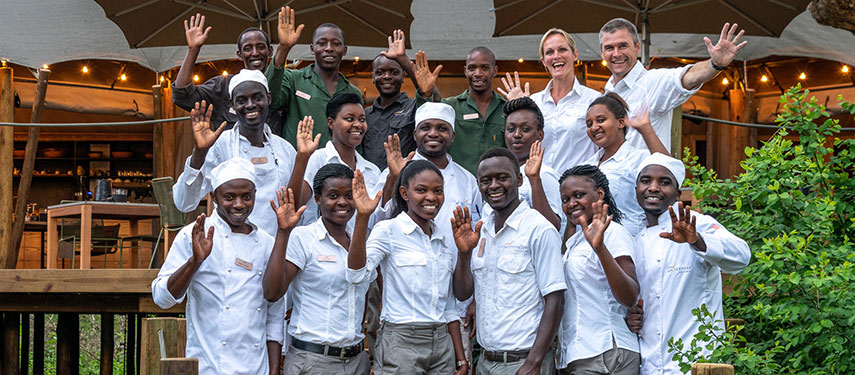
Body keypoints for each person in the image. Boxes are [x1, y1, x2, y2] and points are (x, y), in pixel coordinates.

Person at [152, 158, 285, 375]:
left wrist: (273, 369)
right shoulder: (193, 234)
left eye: (246, 197)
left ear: (255, 195)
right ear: (214, 197)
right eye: (229, 197)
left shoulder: (268, 243)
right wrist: (194, 262)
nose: (239, 204)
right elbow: (161, 299)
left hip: (256, 367)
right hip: (209, 366)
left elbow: (275, 313)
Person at [378, 102, 481, 372]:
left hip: (455, 302)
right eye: (425, 127)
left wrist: (476, 300)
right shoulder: (395, 172)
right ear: (415, 133)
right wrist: (394, 175)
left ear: (453, 136)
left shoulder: (468, 180)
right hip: (405, 307)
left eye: (442, 128)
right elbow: (381, 224)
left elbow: (481, 237)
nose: (433, 133)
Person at [631, 153, 750, 375]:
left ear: (677, 194)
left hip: (699, 363)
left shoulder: (699, 224)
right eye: (645, 180)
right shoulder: (636, 241)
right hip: (649, 364)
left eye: (664, 182)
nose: (653, 188)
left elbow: (742, 257)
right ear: (636, 188)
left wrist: (697, 241)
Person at [347, 162, 470, 375]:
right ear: (405, 193)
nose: (431, 197)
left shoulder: (441, 239)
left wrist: (460, 357)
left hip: (442, 345)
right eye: (421, 190)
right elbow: (358, 275)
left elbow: (449, 306)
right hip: (401, 343)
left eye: (438, 191)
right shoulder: (388, 230)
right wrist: (362, 217)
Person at [452, 147, 566, 375]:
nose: (493, 186)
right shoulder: (480, 230)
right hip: (485, 361)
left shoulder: (539, 229)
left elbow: (555, 299)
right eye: (486, 180)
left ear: (519, 179)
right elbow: (463, 293)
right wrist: (464, 254)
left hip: (524, 362)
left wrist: (533, 363)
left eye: (502, 178)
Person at [172, 69, 318, 238]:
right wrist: (200, 151)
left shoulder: (286, 149)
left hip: (276, 247)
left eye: (257, 97)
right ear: (232, 105)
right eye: (241, 100)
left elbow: (301, 208)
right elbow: (184, 203)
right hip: (229, 247)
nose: (250, 105)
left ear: (268, 99)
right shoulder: (221, 145)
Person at [262, 164, 374, 375]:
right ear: (317, 199)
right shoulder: (303, 238)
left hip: (357, 361)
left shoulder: (361, 242)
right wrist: (283, 233)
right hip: (313, 361)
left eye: (349, 195)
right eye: (333, 195)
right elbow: (272, 293)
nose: (342, 202)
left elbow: (363, 295)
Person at [600, 19, 748, 150]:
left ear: (637, 47)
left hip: (645, 179)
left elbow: (688, 77)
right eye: (609, 48)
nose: (616, 53)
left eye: (623, 46)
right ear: (602, 53)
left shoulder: (653, 81)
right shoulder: (607, 91)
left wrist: (714, 64)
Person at [557, 165, 640, 374]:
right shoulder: (575, 241)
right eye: (565, 199)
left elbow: (630, 296)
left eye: (579, 195)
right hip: (580, 354)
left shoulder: (613, 234)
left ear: (600, 194)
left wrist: (600, 248)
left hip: (606, 352)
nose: (571, 204)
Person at [499, 28, 601, 172]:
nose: (556, 56)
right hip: (539, 184)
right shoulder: (534, 102)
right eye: (549, 52)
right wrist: (520, 109)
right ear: (543, 61)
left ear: (575, 55)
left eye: (562, 50)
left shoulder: (594, 100)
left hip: (578, 187)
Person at [266, 6, 362, 146]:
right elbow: (270, 98)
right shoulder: (293, 79)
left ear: (344, 50)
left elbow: (356, 137)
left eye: (335, 44)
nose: (329, 48)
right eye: (322, 43)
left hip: (339, 166)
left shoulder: (353, 92)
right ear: (312, 49)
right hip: (300, 164)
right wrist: (283, 48)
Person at [171, 14, 283, 132]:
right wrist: (193, 50)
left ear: (270, 51)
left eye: (260, 47)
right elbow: (182, 96)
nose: (255, 53)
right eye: (248, 48)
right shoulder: (224, 85)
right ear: (239, 55)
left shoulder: (284, 84)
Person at [582, 92, 669, 236]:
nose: (594, 127)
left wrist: (645, 128)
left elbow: (670, 170)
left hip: (631, 240)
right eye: (589, 124)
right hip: (594, 242)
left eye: (601, 120)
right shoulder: (587, 165)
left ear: (621, 123)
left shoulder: (638, 158)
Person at [419, 47, 507, 175]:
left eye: (485, 68)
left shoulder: (507, 108)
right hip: (458, 186)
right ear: (465, 71)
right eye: (472, 68)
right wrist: (425, 93)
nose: (478, 73)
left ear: (495, 70)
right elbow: (423, 120)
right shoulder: (450, 106)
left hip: (495, 186)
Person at [298, 92, 382, 226]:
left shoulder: (372, 170)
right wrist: (302, 157)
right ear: (331, 123)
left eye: (362, 119)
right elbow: (297, 203)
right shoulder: (318, 159)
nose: (358, 125)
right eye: (349, 119)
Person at [362, 30, 441, 169]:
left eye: (394, 72)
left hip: (404, 180)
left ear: (403, 77)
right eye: (380, 73)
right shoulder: (364, 115)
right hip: (371, 184)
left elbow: (434, 100)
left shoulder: (414, 107)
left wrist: (403, 59)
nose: (387, 76)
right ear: (373, 78)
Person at [496, 97, 562, 229]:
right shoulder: (502, 173)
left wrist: (535, 180)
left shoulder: (545, 175)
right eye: (511, 129)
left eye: (525, 129)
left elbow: (552, 226)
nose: (517, 135)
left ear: (540, 135)